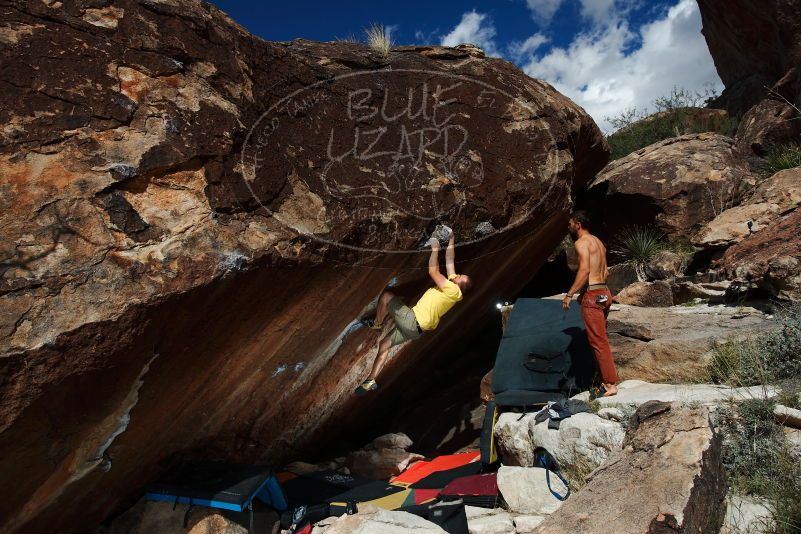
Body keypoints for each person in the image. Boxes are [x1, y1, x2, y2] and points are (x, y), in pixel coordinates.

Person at [355, 230, 472, 395]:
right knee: (384, 345)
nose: (458, 274)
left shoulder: (453, 290)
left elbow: (433, 272)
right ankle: (371, 380)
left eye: (460, 277)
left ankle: (377, 324)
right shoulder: (455, 289)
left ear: (460, 285)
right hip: (416, 331)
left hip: (412, 321)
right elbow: (450, 260)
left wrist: (434, 247)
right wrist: (452, 238)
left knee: (387, 296)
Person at [562, 211, 618, 397]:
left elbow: (585, 269)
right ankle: (606, 381)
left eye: (570, 223)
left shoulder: (581, 242)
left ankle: (609, 384)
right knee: (600, 339)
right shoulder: (598, 242)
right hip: (604, 293)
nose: (568, 227)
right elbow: (606, 272)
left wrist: (570, 294)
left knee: (598, 341)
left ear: (578, 224)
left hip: (594, 295)